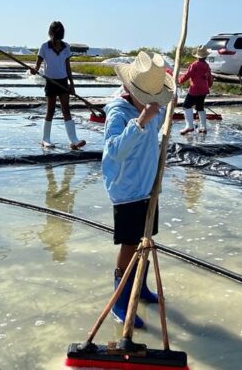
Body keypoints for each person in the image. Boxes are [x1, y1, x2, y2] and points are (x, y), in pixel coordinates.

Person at [102, 51, 174, 328]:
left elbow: (162, 111)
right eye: (148, 99)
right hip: (127, 188)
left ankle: (140, 288)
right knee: (129, 244)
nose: (153, 104)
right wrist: (141, 122)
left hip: (148, 185)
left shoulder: (153, 105)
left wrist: (165, 106)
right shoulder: (119, 114)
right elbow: (114, 152)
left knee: (146, 239)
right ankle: (120, 300)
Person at [31, 21, 86, 150]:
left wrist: (72, 84)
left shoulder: (66, 47)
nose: (56, 40)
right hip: (50, 81)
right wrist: (34, 70)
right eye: (55, 37)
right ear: (50, 34)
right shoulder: (44, 47)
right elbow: (37, 65)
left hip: (62, 81)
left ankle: (74, 140)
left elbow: (67, 67)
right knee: (50, 110)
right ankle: (46, 139)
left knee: (66, 109)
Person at [178, 45, 213, 135]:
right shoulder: (206, 65)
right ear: (206, 56)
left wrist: (179, 81)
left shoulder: (194, 65)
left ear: (197, 56)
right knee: (200, 107)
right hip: (204, 89)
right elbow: (209, 78)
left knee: (186, 106)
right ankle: (203, 127)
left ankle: (189, 126)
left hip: (195, 89)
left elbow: (187, 75)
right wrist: (208, 85)